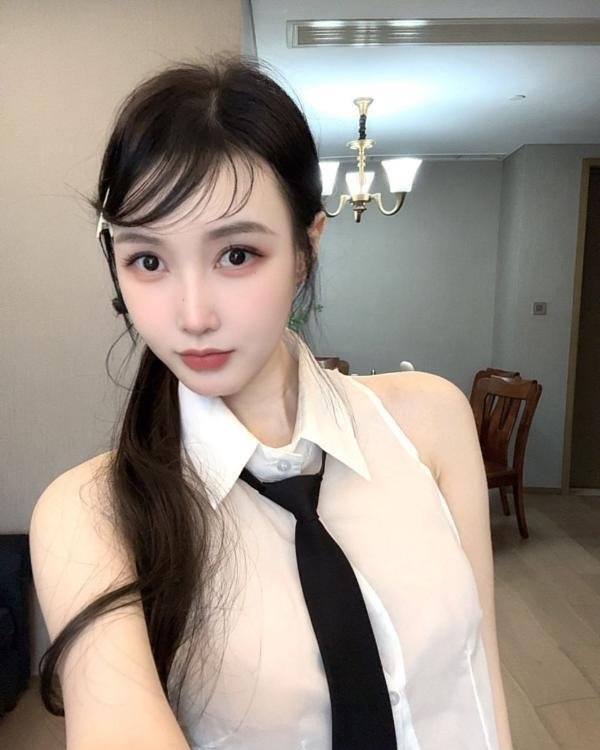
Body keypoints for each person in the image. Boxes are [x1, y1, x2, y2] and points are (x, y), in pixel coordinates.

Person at [30, 57, 513, 750]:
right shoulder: (92, 515)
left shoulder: (430, 422)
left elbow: (481, 673)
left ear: (306, 248)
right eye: (148, 260)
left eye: (236, 255)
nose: (192, 316)